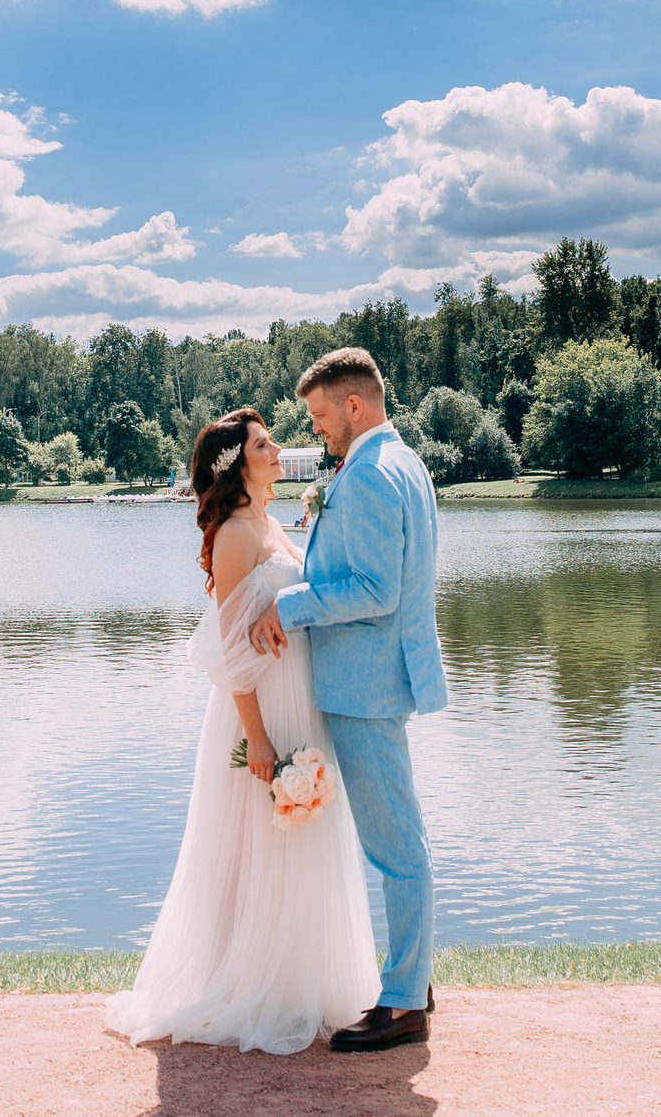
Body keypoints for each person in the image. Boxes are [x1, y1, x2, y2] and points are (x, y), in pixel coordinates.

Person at [104, 407, 380, 1054]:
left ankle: (303, 983)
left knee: (300, 846)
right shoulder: (233, 534)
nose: (280, 447)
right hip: (258, 709)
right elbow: (230, 648)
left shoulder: (271, 521)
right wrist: (256, 736)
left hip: (300, 696)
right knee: (260, 846)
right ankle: (255, 986)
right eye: (265, 443)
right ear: (237, 464)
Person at [248, 347, 446, 1053]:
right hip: (385, 674)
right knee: (401, 834)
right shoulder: (404, 461)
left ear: (353, 406)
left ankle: (402, 1002)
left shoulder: (367, 475)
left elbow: (374, 590)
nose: (319, 429)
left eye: (322, 414)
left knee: (395, 844)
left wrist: (291, 605)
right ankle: (413, 979)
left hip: (365, 684)